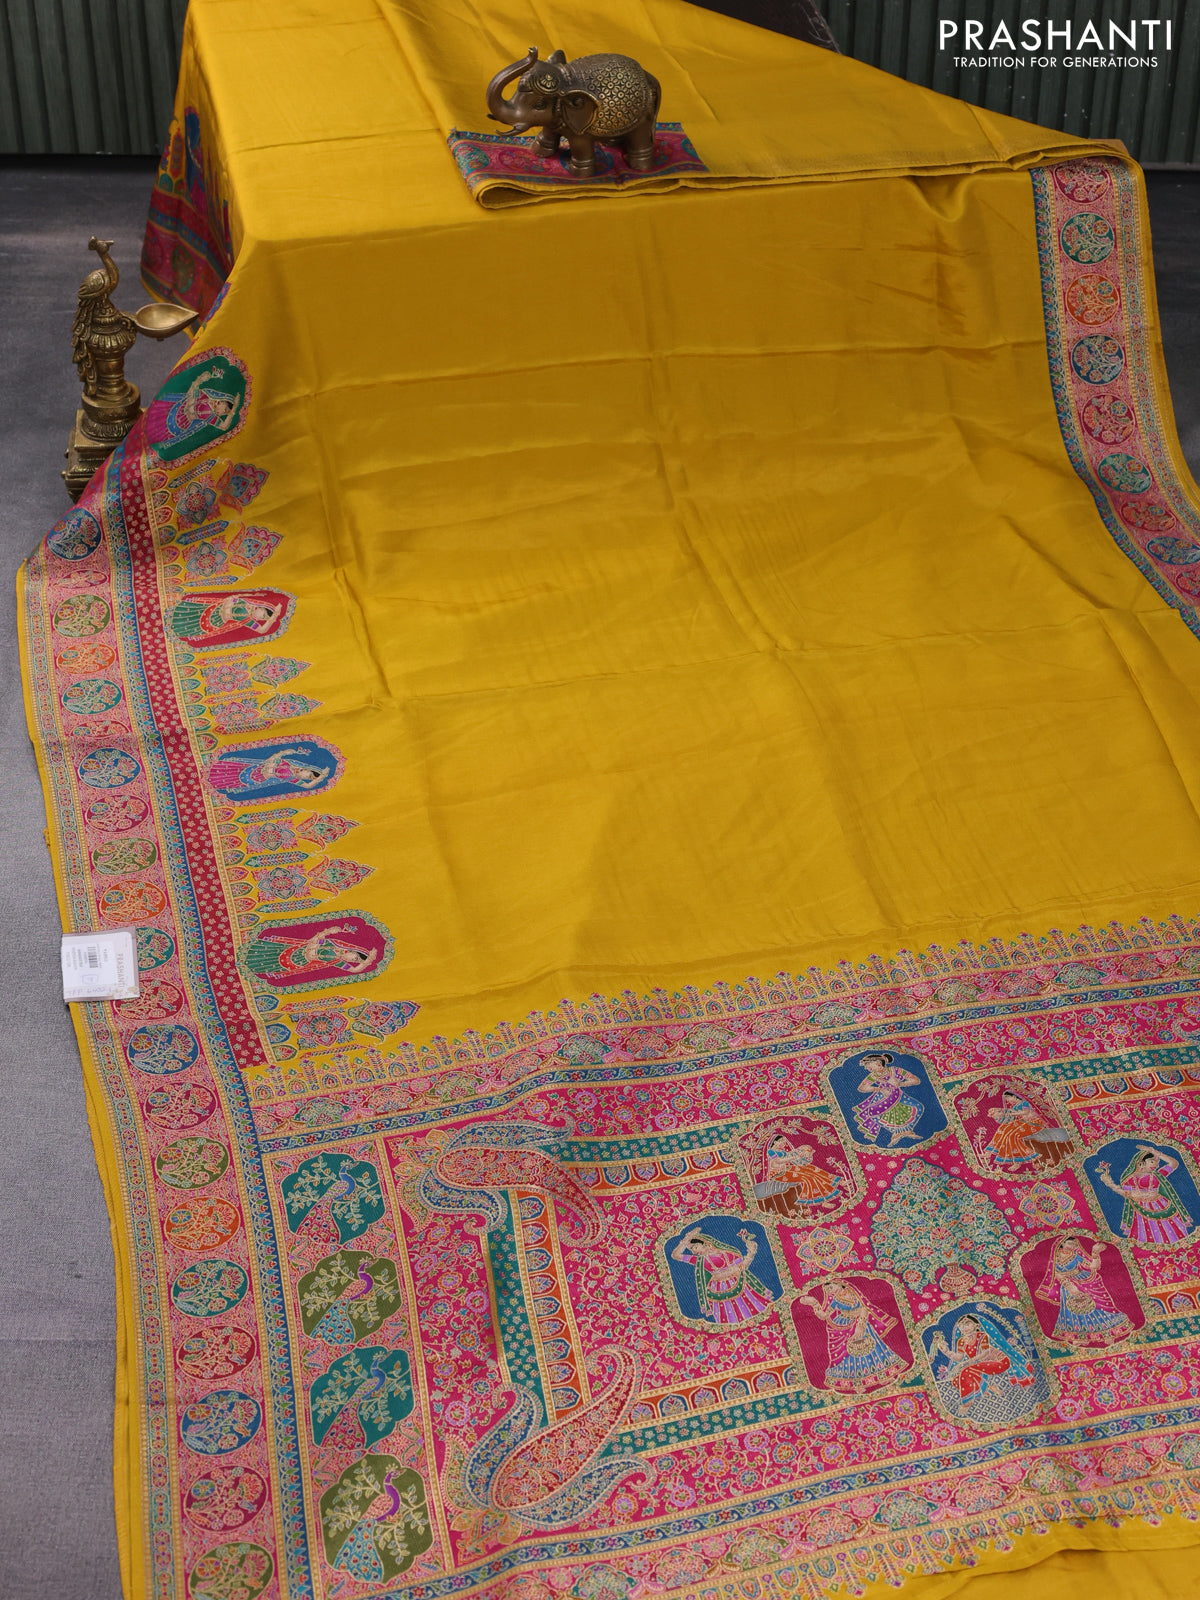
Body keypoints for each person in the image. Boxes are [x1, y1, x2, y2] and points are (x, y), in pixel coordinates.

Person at [795, 1279, 905, 1393]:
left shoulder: (854, 1293)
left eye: (830, 1288)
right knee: (851, 1355)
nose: (830, 1291)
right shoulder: (835, 1301)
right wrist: (814, 1303)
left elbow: (864, 1308)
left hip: (861, 1322)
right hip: (845, 1326)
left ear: (839, 1284)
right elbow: (824, 1315)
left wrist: (860, 1325)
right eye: (827, 1290)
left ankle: (883, 1376)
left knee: (872, 1348)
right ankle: (856, 1384)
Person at [929, 1311, 1035, 1414]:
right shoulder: (961, 1341)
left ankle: (967, 1403)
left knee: (966, 1371)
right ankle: (990, 1388)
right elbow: (959, 1357)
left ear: (976, 1325)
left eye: (967, 1323)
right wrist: (947, 1352)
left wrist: (965, 1364)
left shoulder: (982, 1336)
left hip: (999, 1362)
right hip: (981, 1365)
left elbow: (985, 1354)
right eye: (961, 1325)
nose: (964, 1327)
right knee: (956, 1381)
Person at [1036, 1237, 1132, 1346]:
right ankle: (1080, 1336)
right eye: (1070, 1243)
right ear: (1062, 1243)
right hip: (1067, 1284)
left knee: (1097, 1305)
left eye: (1074, 1244)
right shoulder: (1054, 1257)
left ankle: (1110, 1333)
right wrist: (1068, 1285)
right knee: (1074, 1309)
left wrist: (1095, 1252)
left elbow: (1093, 1266)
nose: (1073, 1246)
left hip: (1083, 1279)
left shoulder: (1075, 1255)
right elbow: (1055, 1273)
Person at [671, 1226, 774, 1324]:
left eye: (696, 1247)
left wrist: (751, 1254)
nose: (694, 1251)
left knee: (751, 1309)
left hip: (740, 1283)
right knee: (729, 1316)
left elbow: (743, 1265)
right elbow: (675, 1255)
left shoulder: (727, 1252)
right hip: (718, 1291)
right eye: (692, 1250)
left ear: (705, 1243)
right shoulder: (699, 1260)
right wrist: (686, 1240)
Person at [1096, 1146, 1196, 1246]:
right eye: (1152, 1161)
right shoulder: (1130, 1179)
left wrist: (1155, 1152)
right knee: (1147, 1234)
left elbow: (1174, 1163)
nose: (1156, 1165)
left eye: (1157, 1162)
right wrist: (1110, 1184)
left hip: (1161, 1206)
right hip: (1141, 1209)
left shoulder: (1157, 1175)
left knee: (1170, 1230)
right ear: (1141, 1162)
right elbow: (1127, 1195)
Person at [243, 924, 376, 984]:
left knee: (268, 963)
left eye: (353, 960)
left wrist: (367, 961)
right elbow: (313, 940)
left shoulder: (337, 961)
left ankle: (248, 966)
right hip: (294, 950)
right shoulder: (332, 944)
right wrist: (327, 932)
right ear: (351, 951)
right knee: (266, 951)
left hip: (298, 961)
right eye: (354, 956)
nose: (351, 959)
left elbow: (354, 970)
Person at [982, 1088, 1073, 1170]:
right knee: (1002, 1128)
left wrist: (1011, 1113)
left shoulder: (1024, 1103)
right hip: (1023, 1122)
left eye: (1008, 1098)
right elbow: (1011, 1114)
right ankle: (989, 1153)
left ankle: (1017, 1161)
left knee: (1013, 1134)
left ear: (1014, 1096)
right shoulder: (1014, 1106)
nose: (1007, 1101)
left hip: (1034, 1123)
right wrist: (1000, 1112)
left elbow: (1026, 1112)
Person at [753, 1136, 842, 1216]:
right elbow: (777, 1162)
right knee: (808, 1177)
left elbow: (791, 1157)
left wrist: (802, 1154)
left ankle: (837, 1181)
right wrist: (793, 1157)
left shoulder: (782, 1151)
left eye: (784, 1141)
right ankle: (823, 1201)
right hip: (779, 1174)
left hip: (787, 1169)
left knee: (811, 1168)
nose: (783, 1144)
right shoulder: (771, 1152)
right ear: (775, 1142)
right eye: (781, 1141)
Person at [853, 1052, 923, 1146]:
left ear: (878, 1063)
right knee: (872, 1113)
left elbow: (916, 1080)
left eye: (868, 1065)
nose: (866, 1068)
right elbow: (861, 1088)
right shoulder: (873, 1076)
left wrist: (900, 1083)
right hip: (883, 1097)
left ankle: (907, 1131)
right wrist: (879, 1089)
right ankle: (896, 1132)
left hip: (899, 1095)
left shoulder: (895, 1070)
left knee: (918, 1107)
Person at [207, 745, 328, 796]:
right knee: (228, 769)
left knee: (230, 779)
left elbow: (307, 786)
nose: (304, 776)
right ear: (306, 769)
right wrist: (284, 752)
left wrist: (321, 777)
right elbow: (271, 759)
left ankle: (210, 783)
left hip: (256, 778)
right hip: (253, 768)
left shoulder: (293, 778)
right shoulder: (290, 763)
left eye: (306, 777)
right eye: (307, 774)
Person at [169, 592, 283, 644]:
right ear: (260, 608)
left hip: (214, 620)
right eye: (262, 615)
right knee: (184, 611)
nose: (259, 618)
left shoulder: (247, 619)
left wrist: (273, 618)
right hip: (210, 607)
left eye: (262, 618)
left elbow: (262, 630)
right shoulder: (246, 602)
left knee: (187, 624)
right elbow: (231, 598)